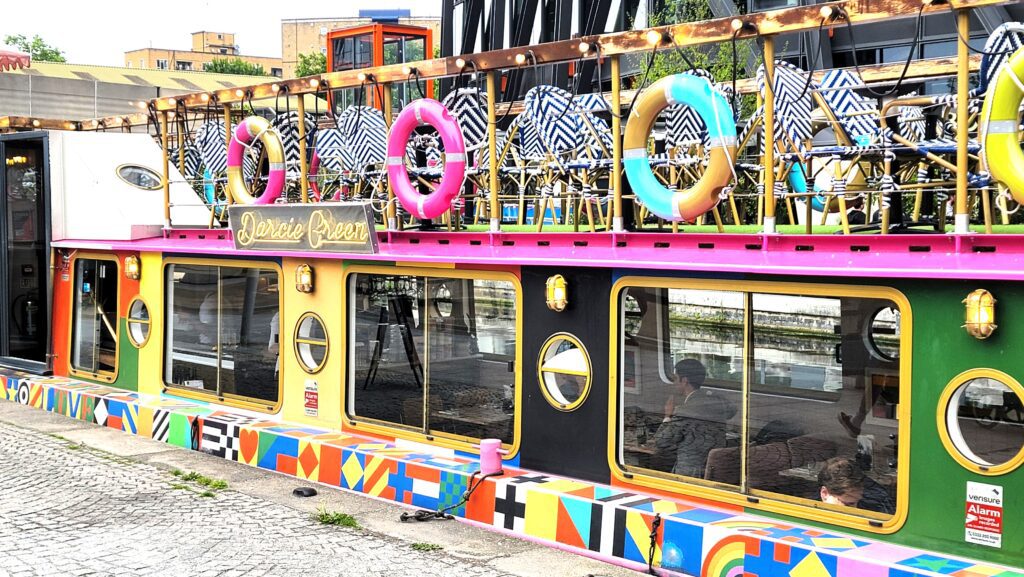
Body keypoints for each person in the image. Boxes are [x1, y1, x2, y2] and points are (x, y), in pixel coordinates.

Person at [653, 359, 736, 477]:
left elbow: (661, 442)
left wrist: (668, 415)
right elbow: (732, 411)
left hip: (690, 473)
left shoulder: (685, 411)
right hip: (715, 471)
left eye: (676, 378)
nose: (674, 383)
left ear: (684, 381)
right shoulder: (717, 401)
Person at [818, 457, 895, 514]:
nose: (855, 509)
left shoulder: (878, 503)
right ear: (824, 494)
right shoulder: (808, 505)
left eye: (857, 502)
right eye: (848, 505)